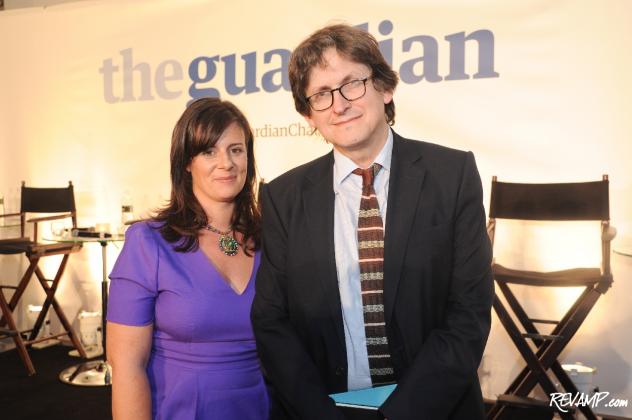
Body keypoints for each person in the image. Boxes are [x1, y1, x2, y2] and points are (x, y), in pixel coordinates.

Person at [251, 24, 493, 420]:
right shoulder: (282, 198)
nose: (339, 104)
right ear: (309, 115)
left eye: (352, 84)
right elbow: (271, 322)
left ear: (385, 87)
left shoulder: (452, 176)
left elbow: (468, 314)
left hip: (431, 410)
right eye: (321, 94)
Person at [107, 98, 268, 420]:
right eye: (209, 151)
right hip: (182, 409)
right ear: (186, 162)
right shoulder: (147, 241)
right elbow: (126, 367)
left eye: (236, 150)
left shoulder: (271, 239)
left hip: (265, 406)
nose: (226, 163)